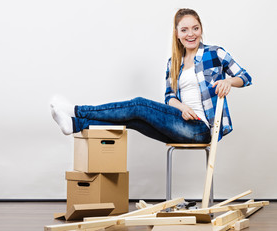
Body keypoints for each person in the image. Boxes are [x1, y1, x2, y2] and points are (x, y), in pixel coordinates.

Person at [50, 8, 252, 143]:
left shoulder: (214, 53)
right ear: (177, 33)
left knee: (139, 104)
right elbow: (169, 98)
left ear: (201, 30)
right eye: (185, 30)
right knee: (135, 121)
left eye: (195, 28)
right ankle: (75, 124)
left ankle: (76, 110)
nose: (191, 34)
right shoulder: (174, 63)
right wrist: (181, 107)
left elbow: (245, 77)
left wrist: (228, 81)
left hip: (202, 129)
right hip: (181, 122)